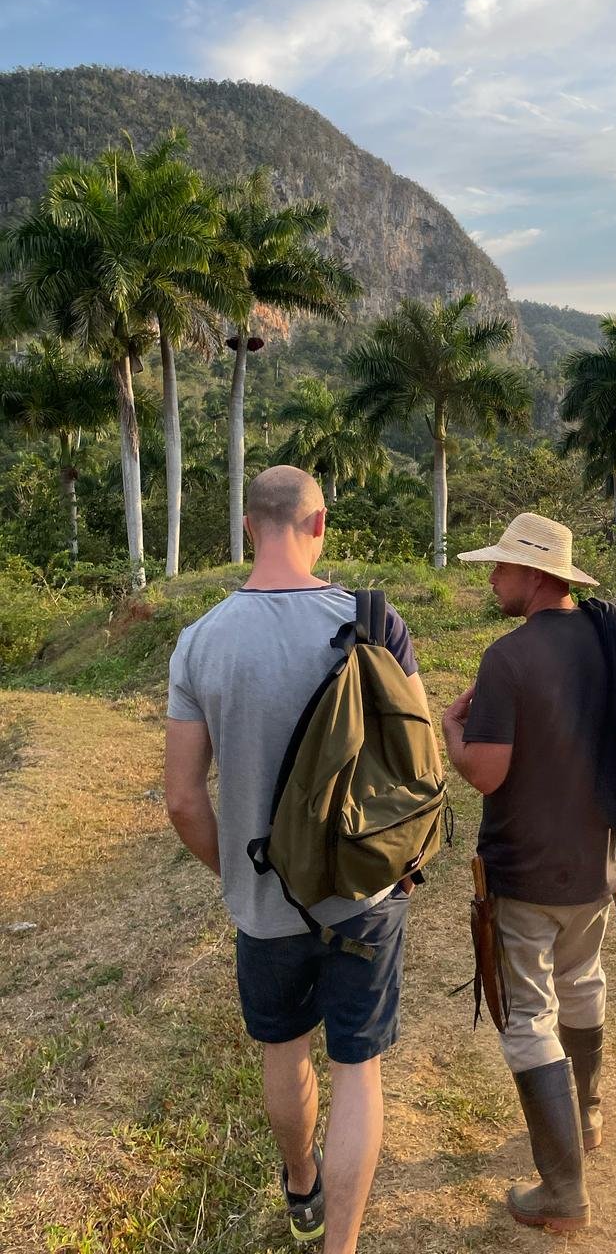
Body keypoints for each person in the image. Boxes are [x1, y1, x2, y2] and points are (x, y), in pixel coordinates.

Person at [164, 465, 425, 1253]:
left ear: (249, 527)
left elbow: (182, 800)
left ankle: (301, 1185)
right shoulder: (374, 621)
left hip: (264, 904)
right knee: (359, 1072)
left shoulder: (200, 642)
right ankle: (338, 1248)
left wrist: (242, 877)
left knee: (285, 1052)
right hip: (365, 893)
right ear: (319, 526)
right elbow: (420, 765)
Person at [443, 512, 616, 1234]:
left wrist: (452, 734)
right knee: (583, 981)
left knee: (528, 1014)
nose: (492, 578)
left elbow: (487, 771)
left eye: (502, 567)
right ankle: (590, 1117)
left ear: (535, 575)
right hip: (592, 865)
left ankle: (563, 1194)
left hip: (523, 870)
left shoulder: (508, 659)